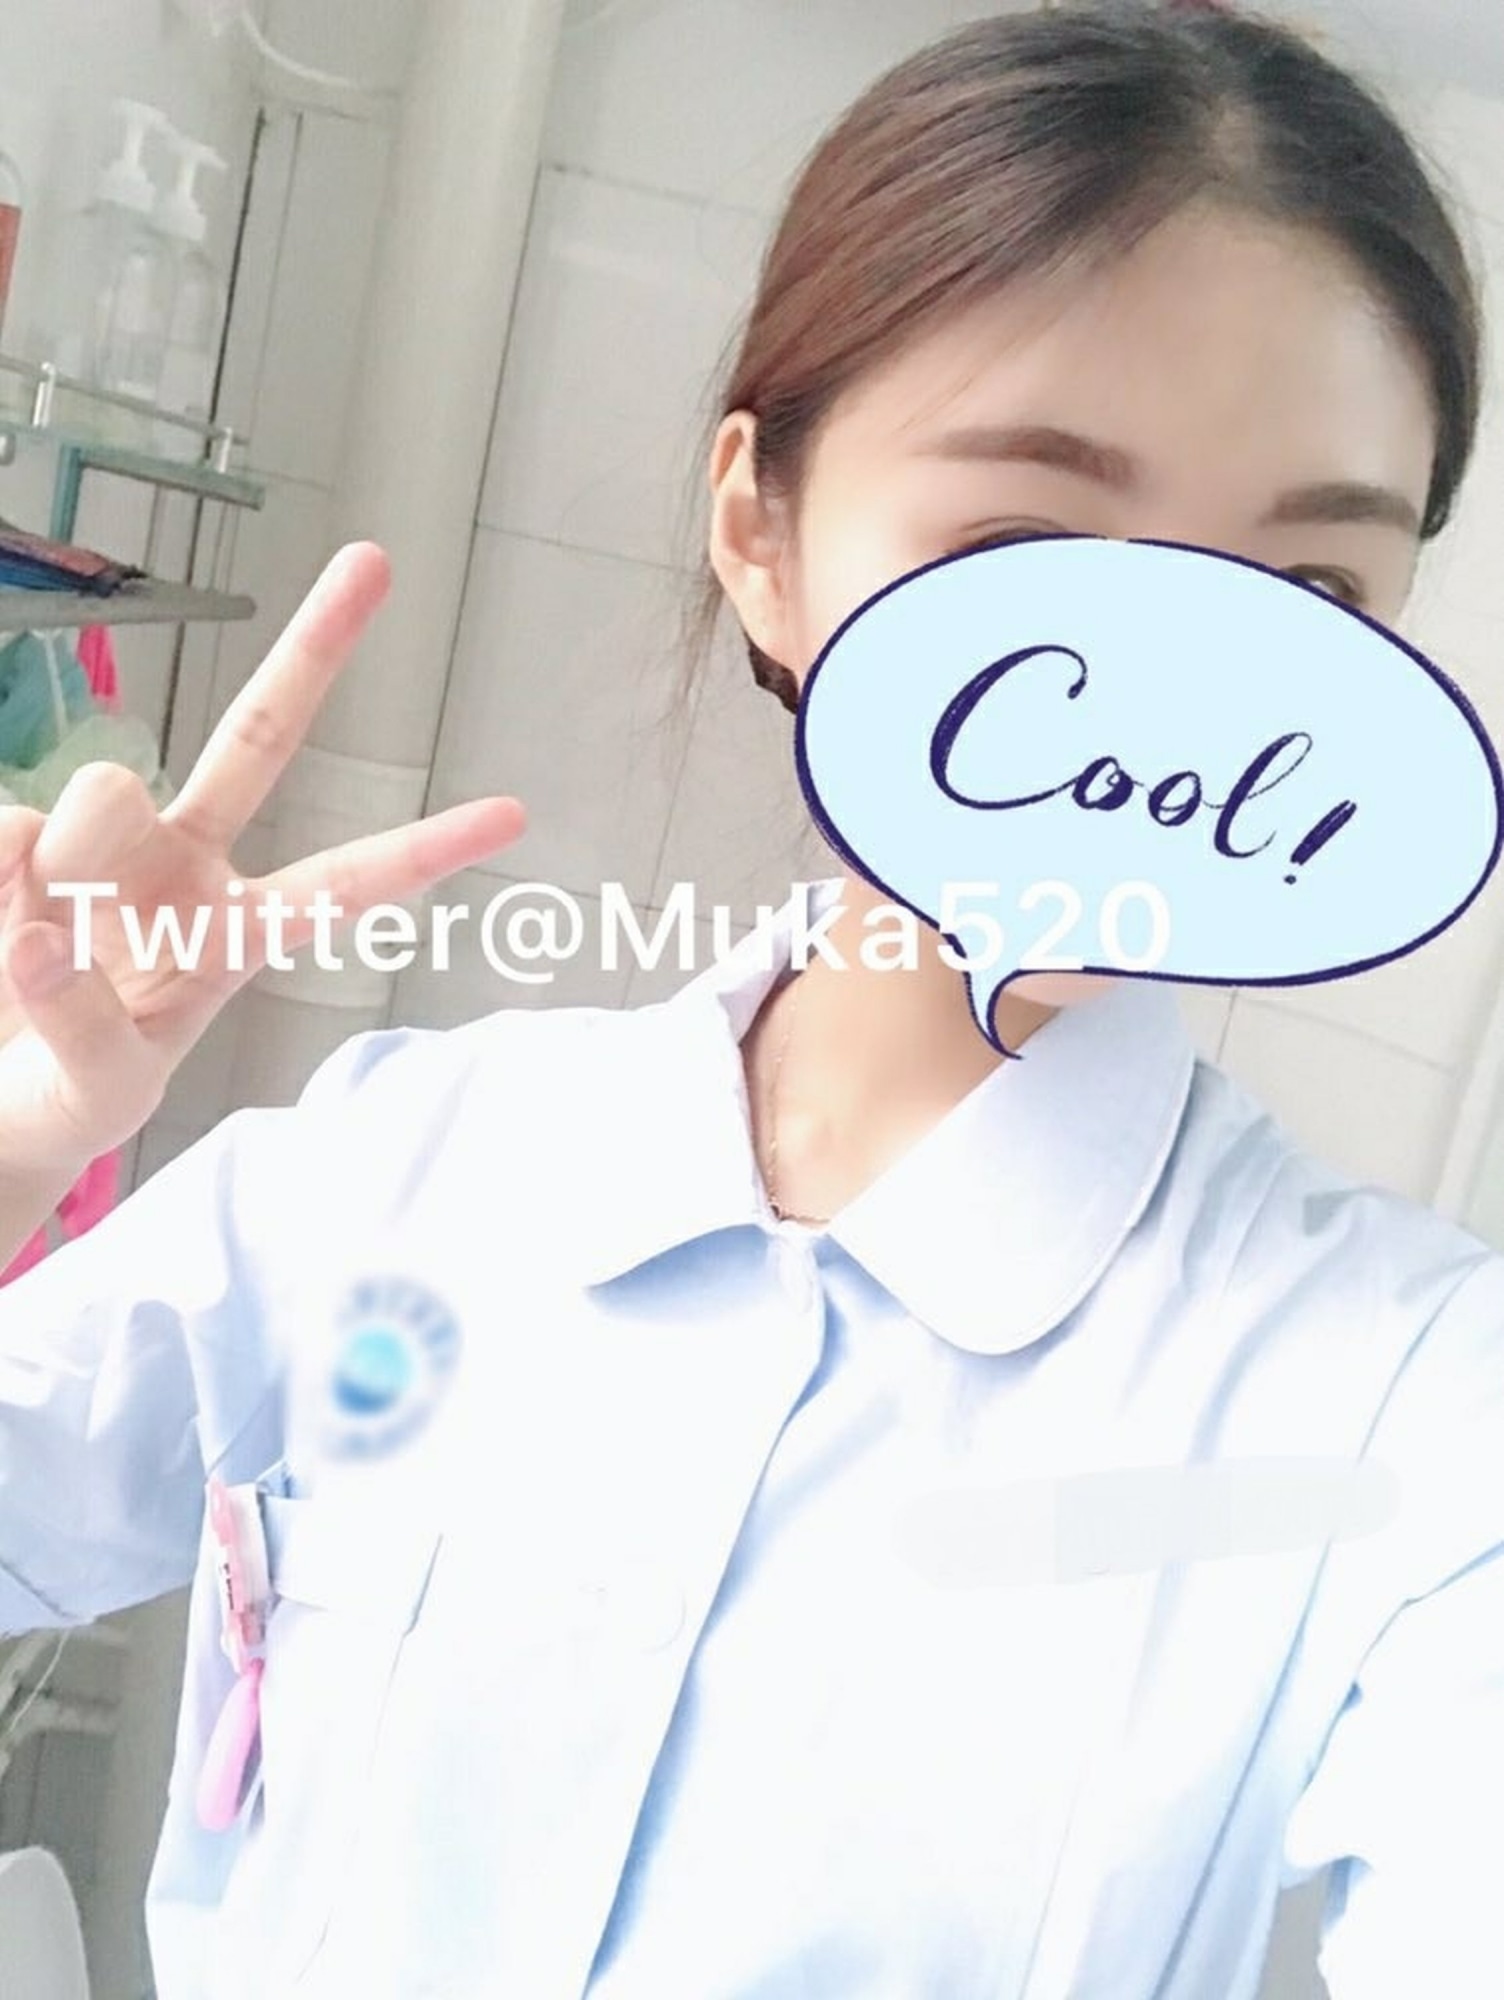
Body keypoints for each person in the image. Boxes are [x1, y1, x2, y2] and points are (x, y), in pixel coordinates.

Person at [1, 5, 1501, 1995]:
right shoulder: (395, 1170)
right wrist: (16, 1148)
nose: (1160, 703)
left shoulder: (1413, 1399)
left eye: (1305, 598)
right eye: (1021, 542)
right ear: (759, 535)